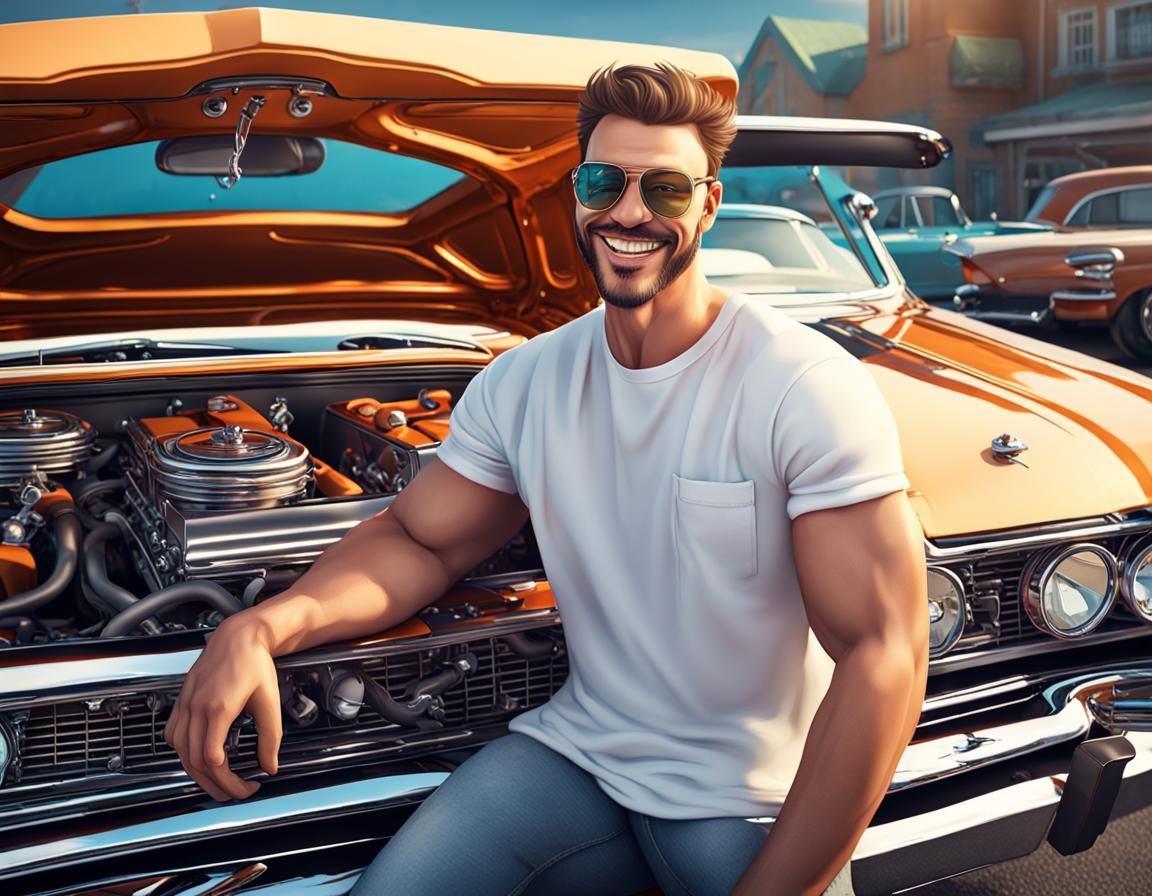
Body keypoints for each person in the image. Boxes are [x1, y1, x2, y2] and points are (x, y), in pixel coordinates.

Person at [166, 62, 928, 896]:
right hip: (578, 756)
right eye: (605, 182)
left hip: (749, 796)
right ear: (576, 194)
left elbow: (883, 655)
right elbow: (419, 539)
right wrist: (261, 629)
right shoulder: (524, 381)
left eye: (666, 190)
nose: (630, 212)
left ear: (709, 205)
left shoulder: (800, 384)